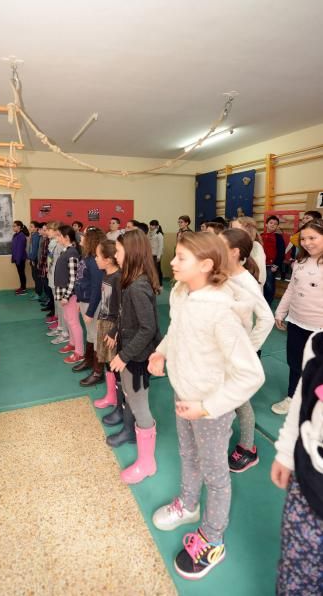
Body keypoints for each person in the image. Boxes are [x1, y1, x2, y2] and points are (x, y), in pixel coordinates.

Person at [148, 232, 265, 580]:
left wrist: (209, 406)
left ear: (206, 265)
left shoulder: (221, 312)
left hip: (209, 406)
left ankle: (212, 538)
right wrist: (161, 352)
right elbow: (177, 330)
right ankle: (187, 503)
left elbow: (250, 375)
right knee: (188, 455)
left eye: (180, 257)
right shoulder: (183, 293)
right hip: (182, 394)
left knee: (216, 475)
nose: (172, 261)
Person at [107, 230, 161, 485]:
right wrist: (116, 333)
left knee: (139, 405)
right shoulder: (129, 280)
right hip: (130, 351)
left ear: (132, 252)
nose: (115, 255)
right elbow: (125, 316)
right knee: (131, 398)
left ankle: (147, 462)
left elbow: (147, 328)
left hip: (137, 357)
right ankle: (138, 429)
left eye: (118, 251)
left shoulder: (138, 286)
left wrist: (124, 356)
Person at [271, 331, 323, 595]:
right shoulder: (317, 346)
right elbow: (302, 404)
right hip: (307, 492)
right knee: (295, 572)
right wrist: (285, 452)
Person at [220, 228, 274, 472]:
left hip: (235, 351)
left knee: (239, 400)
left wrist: (249, 350)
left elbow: (267, 319)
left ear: (234, 252)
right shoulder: (222, 273)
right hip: (219, 348)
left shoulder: (246, 281)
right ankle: (220, 437)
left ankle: (248, 448)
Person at [272, 218, 323, 415]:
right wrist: (280, 312)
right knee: (295, 362)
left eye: (313, 238)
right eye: (303, 238)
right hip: (296, 322)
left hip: (319, 327)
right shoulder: (300, 262)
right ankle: (292, 397)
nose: (307, 242)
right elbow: (291, 290)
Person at [73, 227, 105, 385]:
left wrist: (90, 312)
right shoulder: (86, 257)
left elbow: (97, 288)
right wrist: (79, 301)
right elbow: (81, 282)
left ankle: (98, 372)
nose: (81, 238)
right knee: (90, 335)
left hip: (93, 304)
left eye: (84, 236)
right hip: (85, 301)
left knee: (96, 336)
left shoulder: (94, 261)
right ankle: (89, 361)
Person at [93, 239, 122, 411]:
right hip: (104, 322)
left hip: (113, 326)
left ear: (108, 259)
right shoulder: (107, 275)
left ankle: (117, 399)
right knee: (105, 361)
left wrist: (114, 330)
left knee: (113, 363)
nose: (95, 259)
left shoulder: (118, 278)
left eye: (98, 256)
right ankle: (111, 396)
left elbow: (122, 308)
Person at [53, 225, 84, 365]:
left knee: (73, 322)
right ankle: (72, 343)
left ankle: (79, 352)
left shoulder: (72, 253)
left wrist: (66, 295)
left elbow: (74, 278)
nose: (56, 238)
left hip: (70, 295)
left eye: (58, 235)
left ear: (66, 237)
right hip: (65, 293)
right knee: (68, 319)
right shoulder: (65, 251)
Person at [230, 216, 266, 288]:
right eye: (232, 229)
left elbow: (261, 277)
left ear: (248, 230)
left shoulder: (256, 247)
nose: (232, 232)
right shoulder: (234, 246)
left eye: (236, 229)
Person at [261, 215, 285, 306]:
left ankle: (268, 303)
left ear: (277, 226)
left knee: (269, 285)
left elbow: (281, 252)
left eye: (275, 224)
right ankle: (261, 302)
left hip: (271, 266)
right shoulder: (260, 235)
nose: (272, 225)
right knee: (261, 284)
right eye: (271, 223)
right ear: (266, 224)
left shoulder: (278, 237)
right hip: (260, 265)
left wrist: (276, 265)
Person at [11, 220, 29, 295]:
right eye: (13, 226)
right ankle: (22, 287)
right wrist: (13, 258)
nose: (13, 227)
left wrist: (18, 260)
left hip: (20, 259)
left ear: (19, 227)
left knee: (22, 273)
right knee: (20, 273)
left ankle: (24, 289)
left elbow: (20, 249)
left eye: (14, 226)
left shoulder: (21, 236)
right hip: (17, 258)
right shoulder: (16, 235)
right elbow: (14, 247)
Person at [27, 220, 41, 300]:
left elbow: (35, 249)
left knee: (36, 277)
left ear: (36, 228)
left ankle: (38, 293)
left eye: (31, 226)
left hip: (35, 259)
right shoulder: (33, 235)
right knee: (34, 276)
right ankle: (37, 292)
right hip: (32, 258)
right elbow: (30, 249)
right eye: (30, 226)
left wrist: (32, 259)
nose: (30, 228)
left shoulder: (36, 236)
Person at [148, 219, 164, 288]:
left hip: (156, 255)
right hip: (150, 254)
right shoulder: (149, 233)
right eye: (150, 225)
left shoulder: (159, 234)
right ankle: (152, 283)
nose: (151, 226)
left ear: (157, 226)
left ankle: (159, 284)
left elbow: (161, 246)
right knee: (151, 270)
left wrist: (158, 256)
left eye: (153, 225)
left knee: (157, 270)